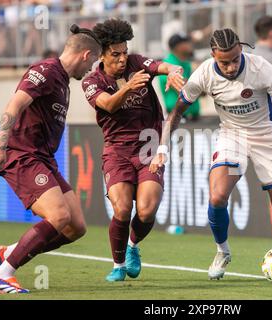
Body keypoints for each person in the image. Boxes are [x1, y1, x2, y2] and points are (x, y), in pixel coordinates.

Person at [150, 28, 272, 280]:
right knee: (217, 197)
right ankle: (222, 251)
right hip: (232, 138)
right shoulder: (204, 72)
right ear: (213, 55)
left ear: (241, 50)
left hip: (266, 139)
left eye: (235, 60)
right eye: (223, 62)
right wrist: (162, 147)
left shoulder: (260, 68)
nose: (229, 67)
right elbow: (176, 113)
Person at [0, 24, 101, 294]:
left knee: (76, 227)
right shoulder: (45, 71)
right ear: (85, 55)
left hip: (44, 158)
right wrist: (0, 147)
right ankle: (2, 275)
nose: (92, 69)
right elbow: (14, 105)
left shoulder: (64, 83)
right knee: (58, 215)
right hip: (22, 155)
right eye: (93, 61)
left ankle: (8, 253)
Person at [83, 18, 184, 282]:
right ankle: (117, 264)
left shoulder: (137, 63)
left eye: (124, 52)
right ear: (101, 55)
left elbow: (162, 65)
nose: (122, 59)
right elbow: (108, 104)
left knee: (147, 210)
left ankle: (132, 247)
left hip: (149, 146)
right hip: (116, 151)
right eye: (115, 54)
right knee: (122, 209)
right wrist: (128, 87)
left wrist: (172, 71)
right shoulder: (92, 81)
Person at [159, 34, 200, 120]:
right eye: (186, 42)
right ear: (178, 47)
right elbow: (185, 89)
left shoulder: (186, 63)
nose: (190, 44)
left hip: (193, 118)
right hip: (178, 120)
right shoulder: (167, 64)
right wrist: (202, 85)